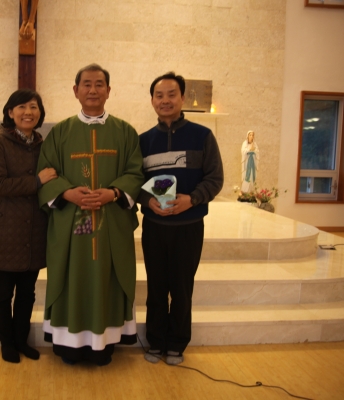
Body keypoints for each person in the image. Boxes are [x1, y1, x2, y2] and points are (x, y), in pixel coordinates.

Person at [36, 63, 144, 366]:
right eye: (87, 84)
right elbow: (45, 172)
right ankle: (68, 344)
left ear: (109, 91)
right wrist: (67, 192)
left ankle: (104, 344)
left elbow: (135, 173)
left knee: (107, 277)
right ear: (76, 91)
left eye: (99, 84)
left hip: (111, 224)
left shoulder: (125, 132)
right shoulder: (60, 132)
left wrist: (113, 193)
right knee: (73, 276)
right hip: (72, 223)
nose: (93, 90)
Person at [138, 72, 223, 365]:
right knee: (156, 287)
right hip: (155, 227)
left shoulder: (202, 136)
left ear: (182, 98)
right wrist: (148, 200)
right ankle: (155, 341)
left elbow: (215, 178)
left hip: (188, 227)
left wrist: (192, 199)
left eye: (171, 94)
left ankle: (176, 343)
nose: (165, 100)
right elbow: (135, 181)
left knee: (182, 288)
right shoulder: (144, 141)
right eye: (159, 95)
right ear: (152, 100)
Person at [0, 89, 58, 363]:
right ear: (10, 112)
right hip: (7, 228)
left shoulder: (43, 144)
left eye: (34, 107)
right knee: (4, 291)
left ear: (40, 113)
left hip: (34, 228)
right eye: (21, 107)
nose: (28, 112)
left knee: (27, 292)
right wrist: (37, 181)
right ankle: (6, 341)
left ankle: (21, 339)